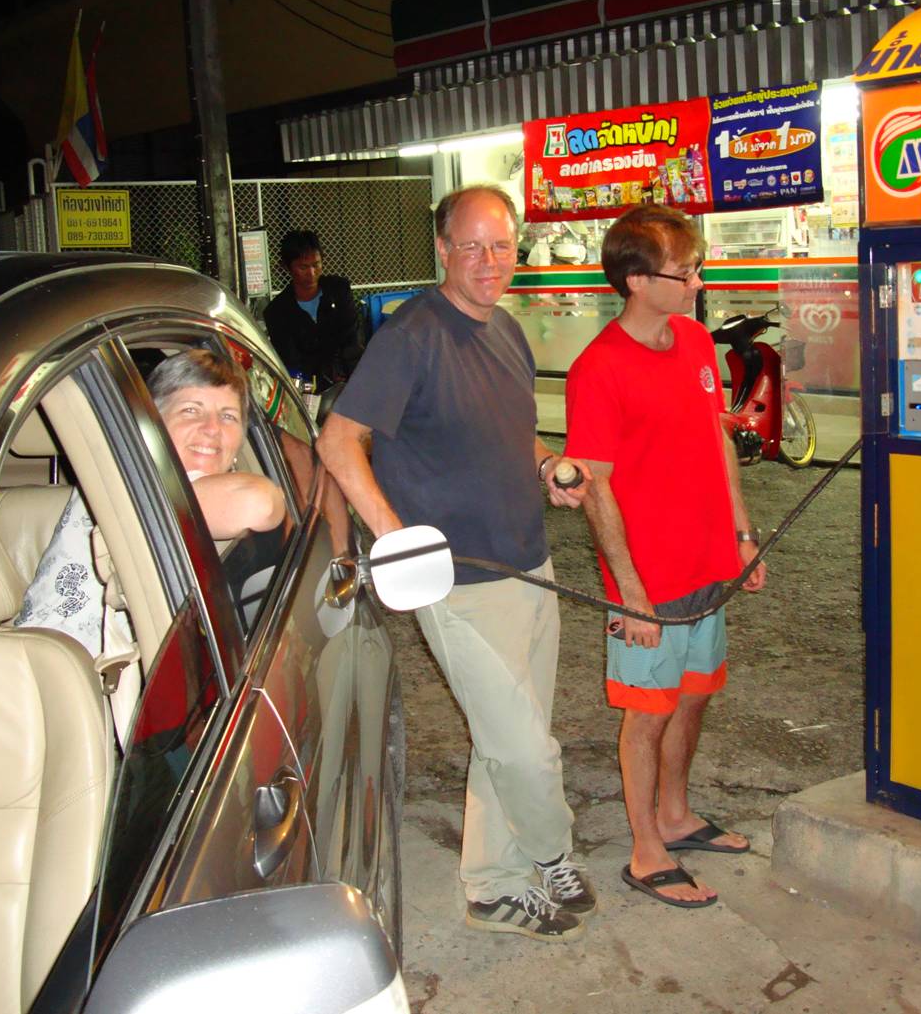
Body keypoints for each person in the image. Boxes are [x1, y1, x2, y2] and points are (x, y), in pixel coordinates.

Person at [317, 184, 596, 942]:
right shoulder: (412, 334)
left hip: (528, 563)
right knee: (522, 745)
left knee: (509, 734)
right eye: (469, 246)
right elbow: (337, 442)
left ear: (516, 250)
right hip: (455, 579)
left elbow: (513, 433)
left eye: (499, 245)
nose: (486, 260)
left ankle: (494, 881)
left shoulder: (506, 329)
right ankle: (549, 851)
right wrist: (396, 538)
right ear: (441, 250)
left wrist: (547, 468)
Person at [564, 205, 766, 909]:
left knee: (695, 692)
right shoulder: (597, 369)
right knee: (646, 712)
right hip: (646, 578)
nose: (696, 283)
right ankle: (646, 850)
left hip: (708, 559)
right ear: (635, 280)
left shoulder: (692, 339)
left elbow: (715, 440)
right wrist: (629, 592)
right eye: (684, 274)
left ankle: (676, 816)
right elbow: (594, 483)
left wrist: (741, 535)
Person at [15, 349, 286, 654]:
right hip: (62, 680)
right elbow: (258, 503)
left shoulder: (126, 469)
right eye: (191, 410)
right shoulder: (132, 478)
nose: (212, 428)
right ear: (153, 422)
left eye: (228, 416)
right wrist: (280, 493)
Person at [262, 229, 364, 389]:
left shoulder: (339, 290)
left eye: (316, 265)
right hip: (309, 389)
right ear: (286, 268)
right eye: (303, 267)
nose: (311, 273)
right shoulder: (277, 312)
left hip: (350, 379)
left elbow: (351, 338)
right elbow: (290, 360)